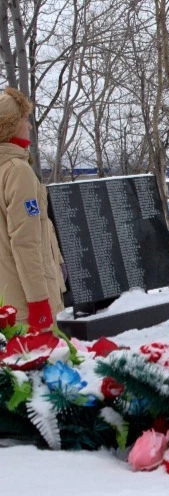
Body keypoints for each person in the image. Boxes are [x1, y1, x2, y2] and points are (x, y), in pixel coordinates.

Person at [0, 87, 63, 327]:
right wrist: (39, 302)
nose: (29, 126)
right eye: (24, 120)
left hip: (6, 301)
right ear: (10, 125)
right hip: (25, 306)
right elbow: (25, 241)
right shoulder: (17, 171)